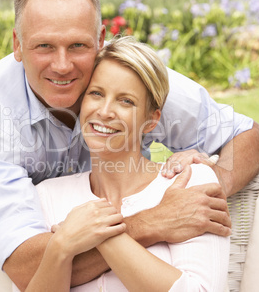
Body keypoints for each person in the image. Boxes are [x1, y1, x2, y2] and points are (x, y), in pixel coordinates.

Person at [0, 0, 259, 290]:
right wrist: (154, 221)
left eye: (78, 45)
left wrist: (207, 191)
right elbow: (28, 270)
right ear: (18, 44)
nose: (62, 65)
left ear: (101, 40)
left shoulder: (127, 76)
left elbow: (247, 135)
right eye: (44, 47)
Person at [26, 36, 230, 291]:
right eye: (96, 94)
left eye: (126, 101)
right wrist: (60, 246)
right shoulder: (47, 195)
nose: (105, 111)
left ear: (152, 119)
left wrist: (101, 236)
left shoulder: (188, 183)